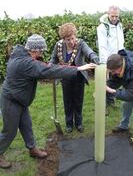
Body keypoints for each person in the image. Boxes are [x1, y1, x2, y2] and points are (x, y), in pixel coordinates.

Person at [0, 34, 97, 169]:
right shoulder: (26, 63)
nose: (41, 54)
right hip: (11, 101)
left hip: (20, 99)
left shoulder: (20, 55)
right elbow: (48, 70)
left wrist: (49, 68)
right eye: (41, 51)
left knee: (26, 126)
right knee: (9, 132)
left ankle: (32, 149)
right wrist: (79, 68)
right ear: (35, 50)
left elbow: (44, 68)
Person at [50, 23, 99, 133]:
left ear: (75, 36)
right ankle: (69, 124)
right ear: (63, 39)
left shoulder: (80, 44)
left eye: (72, 38)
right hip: (65, 76)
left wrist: (96, 59)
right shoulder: (58, 45)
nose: (71, 42)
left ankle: (79, 123)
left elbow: (89, 52)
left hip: (78, 76)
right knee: (67, 101)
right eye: (68, 40)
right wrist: (48, 69)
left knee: (78, 100)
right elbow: (53, 60)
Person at [97, 5, 125, 106]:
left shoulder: (120, 25)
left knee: (116, 79)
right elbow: (102, 46)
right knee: (107, 79)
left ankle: (110, 98)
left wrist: (123, 56)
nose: (114, 18)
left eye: (116, 16)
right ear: (108, 14)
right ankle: (104, 99)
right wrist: (105, 62)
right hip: (108, 59)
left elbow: (121, 42)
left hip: (119, 58)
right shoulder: (102, 27)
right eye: (112, 16)